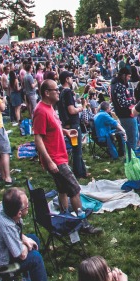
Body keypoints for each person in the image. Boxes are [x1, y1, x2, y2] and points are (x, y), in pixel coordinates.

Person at [33, 79, 101, 235]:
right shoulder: (40, 111)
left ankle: (66, 219)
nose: (58, 91)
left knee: (62, 190)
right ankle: (83, 224)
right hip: (55, 159)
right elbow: (38, 138)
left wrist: (65, 132)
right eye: (55, 90)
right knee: (75, 189)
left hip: (59, 156)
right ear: (46, 93)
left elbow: (53, 127)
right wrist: (49, 162)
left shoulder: (49, 108)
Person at [57, 71, 87, 179]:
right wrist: (81, 108)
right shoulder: (68, 92)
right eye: (70, 78)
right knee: (77, 150)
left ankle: (82, 171)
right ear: (66, 79)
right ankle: (78, 174)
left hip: (66, 124)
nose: (72, 79)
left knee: (76, 148)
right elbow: (71, 110)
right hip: (73, 125)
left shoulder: (60, 92)